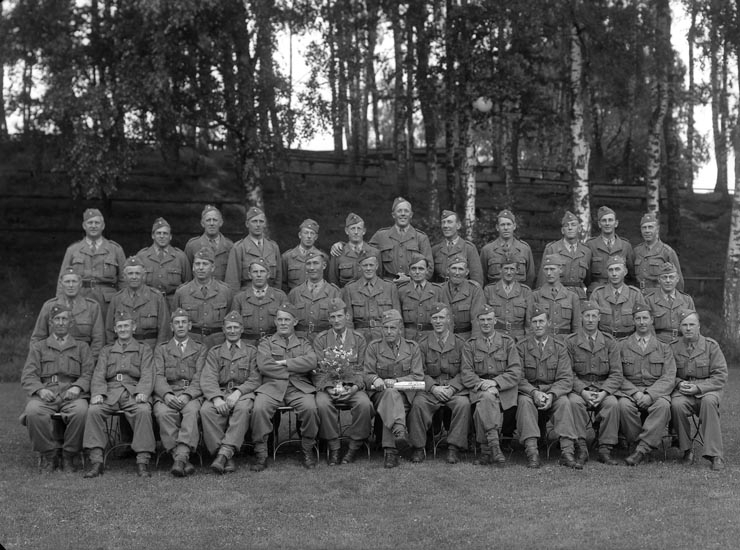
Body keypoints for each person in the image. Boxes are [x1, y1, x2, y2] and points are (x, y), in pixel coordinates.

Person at [21, 304, 94, 473]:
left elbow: (89, 373)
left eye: (64, 319)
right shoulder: (39, 347)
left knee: (82, 412)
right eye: (57, 319)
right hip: (47, 392)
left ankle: (69, 455)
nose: (61, 323)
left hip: (72, 393)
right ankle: (49, 454)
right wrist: (40, 390)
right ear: (51, 322)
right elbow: (28, 375)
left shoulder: (82, 347)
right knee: (33, 411)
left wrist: (78, 387)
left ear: (71, 323)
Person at [82, 310, 155, 478]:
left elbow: (147, 373)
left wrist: (143, 392)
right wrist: (98, 393)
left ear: (133, 327)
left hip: (133, 391)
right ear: (115, 329)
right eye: (119, 326)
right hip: (110, 391)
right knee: (94, 410)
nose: (123, 329)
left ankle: (142, 461)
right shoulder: (107, 351)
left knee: (143, 411)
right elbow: (99, 374)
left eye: (126, 326)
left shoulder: (143, 349)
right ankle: (96, 462)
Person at [251, 303, 319, 471]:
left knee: (310, 407)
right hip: (272, 386)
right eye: (279, 319)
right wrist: (295, 368)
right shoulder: (266, 342)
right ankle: (261, 453)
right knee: (259, 408)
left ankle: (307, 450)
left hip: (298, 387)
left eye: (286, 319)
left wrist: (284, 363)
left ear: (294, 322)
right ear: (275, 322)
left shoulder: (303, 343)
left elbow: (312, 361)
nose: (283, 323)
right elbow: (264, 365)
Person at [516, 306, 579, 469]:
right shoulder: (521, 347)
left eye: (541, 321)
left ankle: (567, 452)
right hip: (529, 392)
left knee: (564, 403)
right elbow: (518, 377)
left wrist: (552, 395)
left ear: (548, 323)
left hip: (553, 392)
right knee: (524, 403)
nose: (538, 325)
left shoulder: (559, 347)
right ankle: (532, 453)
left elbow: (566, 378)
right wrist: (534, 392)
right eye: (534, 322)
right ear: (530, 324)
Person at [408, 303, 471, 464]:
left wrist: (452, 388)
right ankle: (419, 447)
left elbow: (466, 371)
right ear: (430, 320)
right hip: (431, 390)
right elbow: (419, 371)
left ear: (448, 319)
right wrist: (433, 388)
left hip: (453, 390)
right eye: (435, 318)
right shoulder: (422, 344)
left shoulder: (460, 343)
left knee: (463, 404)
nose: (438, 321)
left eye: (441, 317)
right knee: (418, 404)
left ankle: (453, 448)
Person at [313, 298, 373, 465]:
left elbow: (363, 369)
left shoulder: (359, 339)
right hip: (329, 388)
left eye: (339, 316)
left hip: (352, 387)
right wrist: (329, 388)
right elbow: (317, 370)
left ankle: (354, 446)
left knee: (364, 405)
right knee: (322, 404)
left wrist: (354, 387)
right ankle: (334, 447)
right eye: (332, 317)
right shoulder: (321, 339)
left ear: (347, 316)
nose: (336, 320)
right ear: (329, 319)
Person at [199, 311, 261, 474]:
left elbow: (255, 378)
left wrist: (238, 392)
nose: (232, 331)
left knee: (242, 409)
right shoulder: (215, 351)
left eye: (235, 327)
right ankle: (226, 455)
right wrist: (216, 398)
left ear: (241, 329)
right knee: (206, 410)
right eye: (229, 328)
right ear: (223, 330)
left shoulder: (252, 351)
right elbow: (208, 378)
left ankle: (223, 455)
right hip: (220, 391)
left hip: (243, 393)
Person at [461, 305, 522, 467]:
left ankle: (486, 449)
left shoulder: (507, 342)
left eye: (489, 319)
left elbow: (515, 371)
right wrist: (483, 385)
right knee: (486, 399)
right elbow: (466, 373)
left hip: (504, 389)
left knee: (484, 404)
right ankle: (494, 445)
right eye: (482, 320)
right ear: (478, 323)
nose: (486, 323)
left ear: (495, 321)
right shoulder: (470, 345)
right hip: (480, 388)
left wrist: (495, 383)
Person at [616, 304, 676, 466]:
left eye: (645, 318)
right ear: (633, 321)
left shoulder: (664, 347)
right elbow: (617, 375)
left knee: (663, 405)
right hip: (630, 392)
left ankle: (640, 450)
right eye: (638, 318)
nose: (642, 322)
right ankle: (639, 446)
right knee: (622, 405)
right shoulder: (621, 346)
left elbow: (669, 377)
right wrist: (635, 394)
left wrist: (650, 395)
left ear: (652, 321)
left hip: (655, 392)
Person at [565, 301, 623, 466]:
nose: (590, 320)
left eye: (593, 316)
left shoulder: (609, 342)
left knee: (612, 403)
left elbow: (616, 374)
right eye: (586, 316)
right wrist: (582, 391)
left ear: (599, 318)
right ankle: (581, 447)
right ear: (581, 318)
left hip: (602, 387)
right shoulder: (570, 341)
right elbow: (568, 373)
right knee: (574, 403)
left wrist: (604, 393)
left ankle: (605, 449)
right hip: (579, 388)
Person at [364, 309, 424, 469]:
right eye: (385, 328)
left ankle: (391, 452)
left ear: (400, 329)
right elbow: (367, 373)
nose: (388, 332)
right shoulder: (374, 347)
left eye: (392, 328)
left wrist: (396, 381)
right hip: (380, 394)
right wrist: (375, 379)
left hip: (405, 394)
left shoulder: (412, 348)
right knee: (390, 396)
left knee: (392, 400)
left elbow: (417, 376)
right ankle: (399, 433)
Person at [670, 310, 727, 471]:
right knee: (676, 405)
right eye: (685, 325)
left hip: (707, 391)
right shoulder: (673, 348)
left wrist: (699, 387)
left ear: (699, 326)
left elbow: (720, 377)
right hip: (683, 392)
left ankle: (715, 455)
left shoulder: (711, 346)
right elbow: (668, 374)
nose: (688, 328)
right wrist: (679, 384)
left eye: (692, 324)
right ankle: (686, 450)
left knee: (709, 402)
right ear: (680, 327)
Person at [152, 308, 207, 477]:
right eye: (177, 323)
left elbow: (200, 376)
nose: (181, 326)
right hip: (168, 392)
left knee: (191, 412)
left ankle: (179, 457)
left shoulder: (200, 348)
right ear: (171, 326)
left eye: (184, 322)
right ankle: (183, 458)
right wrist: (167, 395)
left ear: (190, 326)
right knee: (162, 413)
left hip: (190, 393)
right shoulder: (161, 349)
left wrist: (188, 395)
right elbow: (158, 375)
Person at [57, 208, 126, 317]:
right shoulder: (73, 250)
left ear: (103, 226)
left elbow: (123, 280)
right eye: (90, 223)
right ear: (84, 226)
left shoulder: (115, 249)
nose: (93, 226)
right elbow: (62, 280)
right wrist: (60, 305)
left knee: (105, 332)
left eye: (97, 223)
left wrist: (123, 305)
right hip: (80, 298)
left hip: (107, 302)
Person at [31, 267, 105, 360]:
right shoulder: (49, 306)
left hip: (82, 360)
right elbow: (38, 338)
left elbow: (98, 341)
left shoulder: (92, 307)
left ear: (80, 284)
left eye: (74, 281)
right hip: (54, 359)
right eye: (67, 281)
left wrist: (89, 362)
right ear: (61, 284)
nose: (71, 285)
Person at [173, 247, 233, 348]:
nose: (200, 268)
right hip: (191, 344)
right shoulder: (182, 292)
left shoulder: (225, 292)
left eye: (205, 264)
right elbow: (174, 322)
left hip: (217, 344)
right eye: (197, 264)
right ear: (193, 267)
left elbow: (231, 321)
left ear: (213, 267)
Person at [106, 256, 170, 348]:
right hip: (124, 350)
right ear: (124, 276)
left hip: (150, 349)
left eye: (137, 273)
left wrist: (159, 354)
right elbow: (110, 331)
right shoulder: (117, 299)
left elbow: (164, 331)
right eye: (130, 273)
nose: (134, 277)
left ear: (144, 276)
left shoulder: (156, 297)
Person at [367, 197, 433, 283]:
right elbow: (366, 260)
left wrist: (410, 279)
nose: (403, 214)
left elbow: (429, 269)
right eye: (399, 211)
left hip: (412, 287)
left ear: (411, 214)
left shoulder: (421, 238)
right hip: (387, 286)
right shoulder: (380, 236)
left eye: (406, 211)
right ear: (393, 215)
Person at [342, 254, 400, 343]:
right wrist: (351, 340)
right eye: (365, 265)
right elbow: (348, 321)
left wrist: (398, 341)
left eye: (371, 265)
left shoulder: (389, 287)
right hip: (360, 337)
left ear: (376, 266)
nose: (368, 268)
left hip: (384, 336)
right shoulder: (350, 289)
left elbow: (397, 319)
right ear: (360, 267)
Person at [230, 257, 288, 345]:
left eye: (262, 271)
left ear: (268, 274)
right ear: (249, 275)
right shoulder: (239, 298)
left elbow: (287, 325)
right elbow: (233, 326)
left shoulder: (280, 296)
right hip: (247, 344)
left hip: (273, 343)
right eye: (255, 272)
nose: (259, 275)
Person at [137, 217, 191, 309]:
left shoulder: (180, 257)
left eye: (165, 233)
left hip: (173, 305)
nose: (162, 236)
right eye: (158, 233)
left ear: (170, 236)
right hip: (148, 304)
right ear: (153, 236)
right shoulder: (142, 257)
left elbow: (188, 284)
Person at [289, 250, 342, 342]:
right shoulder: (295, 293)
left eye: (316, 263)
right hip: (300, 341)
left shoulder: (334, 292)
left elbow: (340, 322)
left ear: (324, 266)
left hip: (325, 340)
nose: (312, 267)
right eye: (308, 264)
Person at [226, 206, 282, 291]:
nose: (258, 225)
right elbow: (233, 282)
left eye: (261, 221)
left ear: (265, 224)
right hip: (247, 298)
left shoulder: (273, 247)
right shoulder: (239, 248)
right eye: (254, 221)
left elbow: (278, 279)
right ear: (247, 224)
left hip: (270, 298)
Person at [536, 211, 591, 299]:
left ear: (579, 228)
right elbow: (543, 279)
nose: (570, 228)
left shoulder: (586, 251)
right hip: (557, 296)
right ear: (562, 230)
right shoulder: (552, 249)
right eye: (566, 226)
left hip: (579, 298)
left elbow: (589, 281)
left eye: (573, 225)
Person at [590, 255, 646, 338]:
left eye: (617, 269)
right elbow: (590, 322)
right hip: (605, 341)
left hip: (628, 341)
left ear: (625, 272)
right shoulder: (598, 294)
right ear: (607, 272)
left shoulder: (635, 294)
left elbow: (643, 322)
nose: (614, 274)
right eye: (610, 270)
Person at [479, 209, 535, 287]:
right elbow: (482, 277)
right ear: (497, 227)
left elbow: (530, 276)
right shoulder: (487, 250)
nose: (506, 228)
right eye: (502, 225)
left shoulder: (524, 249)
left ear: (514, 226)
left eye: (509, 224)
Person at [483, 252, 532, 341]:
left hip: (518, 339)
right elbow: (483, 319)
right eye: (506, 268)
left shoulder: (525, 291)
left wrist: (527, 342)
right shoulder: (489, 290)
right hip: (496, 338)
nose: (509, 272)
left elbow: (529, 322)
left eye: (512, 269)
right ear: (500, 269)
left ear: (517, 270)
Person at [585, 206, 634, 294]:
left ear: (616, 223)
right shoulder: (590, 245)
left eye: (610, 220)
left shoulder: (625, 246)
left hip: (620, 291)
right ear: (599, 224)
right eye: (604, 220)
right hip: (597, 292)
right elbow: (586, 276)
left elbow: (631, 274)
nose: (607, 223)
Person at [529, 254, 581, 337]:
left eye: (552, 269)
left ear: (560, 269)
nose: (549, 273)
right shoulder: (535, 295)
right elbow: (530, 326)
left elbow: (577, 327)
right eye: (546, 269)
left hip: (565, 342)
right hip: (543, 341)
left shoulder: (572, 296)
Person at [397, 255, 445, 342]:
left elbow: (446, 318)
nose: (417, 272)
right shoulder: (401, 291)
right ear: (409, 271)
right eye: (414, 269)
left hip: (431, 337)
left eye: (421, 269)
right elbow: (397, 320)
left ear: (427, 270)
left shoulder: (438, 291)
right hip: (408, 338)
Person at [633, 212, 684, 293]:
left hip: (658, 299)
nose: (647, 231)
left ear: (657, 229)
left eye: (650, 227)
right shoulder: (636, 251)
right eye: (644, 228)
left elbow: (678, 281)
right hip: (639, 297)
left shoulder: (667, 251)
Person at [645, 262, 695, 343]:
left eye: (671, 277)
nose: (668, 281)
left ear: (677, 279)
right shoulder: (649, 300)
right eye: (664, 277)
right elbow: (647, 327)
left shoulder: (687, 300)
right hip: (659, 343)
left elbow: (694, 325)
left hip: (682, 343)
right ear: (659, 280)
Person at [327, 212, 381, 288]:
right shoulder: (338, 253)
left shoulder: (375, 253)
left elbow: (379, 279)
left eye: (359, 228)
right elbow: (333, 283)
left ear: (364, 231)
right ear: (346, 231)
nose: (356, 232)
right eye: (352, 228)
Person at [431, 210, 483, 286]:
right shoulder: (435, 250)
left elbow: (477, 281)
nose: (445, 226)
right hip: (440, 293)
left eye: (449, 222)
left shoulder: (469, 248)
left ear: (458, 225)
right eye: (443, 222)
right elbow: (430, 278)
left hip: (462, 293)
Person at [438, 256, 485, 340]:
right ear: (447, 270)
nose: (457, 273)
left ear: (466, 272)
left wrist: (474, 342)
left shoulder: (474, 289)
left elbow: (477, 320)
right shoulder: (439, 289)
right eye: (453, 268)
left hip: (466, 338)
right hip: (444, 338)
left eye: (460, 269)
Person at [184, 205, 234, 282]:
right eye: (208, 220)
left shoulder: (229, 246)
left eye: (215, 220)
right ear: (202, 223)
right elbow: (187, 276)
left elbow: (232, 275)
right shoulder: (193, 245)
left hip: (223, 292)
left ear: (221, 223)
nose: (211, 223)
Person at [282, 219, 326, 292]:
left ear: (316, 237)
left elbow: (327, 282)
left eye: (312, 233)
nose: (309, 236)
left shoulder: (323, 257)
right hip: (294, 300)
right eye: (306, 233)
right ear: (300, 235)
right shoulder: (287, 257)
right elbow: (282, 284)